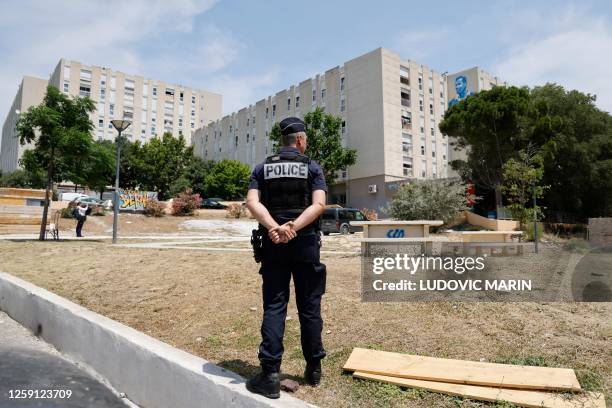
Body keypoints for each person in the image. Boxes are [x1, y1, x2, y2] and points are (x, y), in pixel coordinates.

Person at [245, 117, 328, 399]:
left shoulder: (262, 168)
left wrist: (275, 228)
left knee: (275, 305)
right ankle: (313, 368)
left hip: (273, 243)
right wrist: (294, 227)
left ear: (282, 140)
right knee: (309, 306)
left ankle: (269, 374)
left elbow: (252, 202)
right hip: (304, 243)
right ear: (301, 141)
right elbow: (319, 205)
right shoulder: (312, 167)